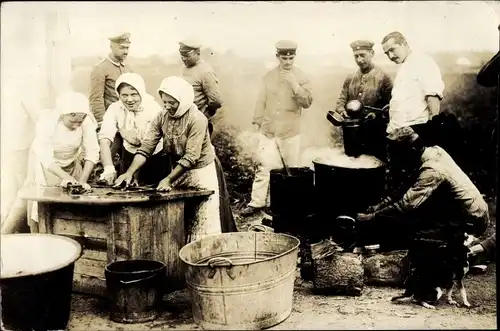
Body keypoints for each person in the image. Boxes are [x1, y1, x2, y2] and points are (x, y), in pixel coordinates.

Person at [114, 76, 221, 243]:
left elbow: (191, 157)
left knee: (203, 222)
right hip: (178, 171)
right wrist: (129, 173)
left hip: (200, 173)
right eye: (165, 102)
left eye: (172, 103)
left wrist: (168, 179)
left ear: (183, 100)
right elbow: (146, 147)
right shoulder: (162, 117)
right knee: (180, 219)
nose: (167, 106)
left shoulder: (197, 119)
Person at [356, 127, 489, 251]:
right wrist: (381, 204)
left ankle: (466, 240)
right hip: (464, 211)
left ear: (412, 150)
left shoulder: (432, 170)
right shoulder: (434, 151)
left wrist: (372, 217)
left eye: (398, 154)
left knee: (410, 236)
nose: (395, 159)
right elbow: (408, 184)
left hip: (471, 220)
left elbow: (406, 205)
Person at [1, 92, 100, 234]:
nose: (77, 124)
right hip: (44, 162)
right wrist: (65, 176)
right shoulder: (48, 122)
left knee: (73, 197)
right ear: (64, 114)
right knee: (31, 198)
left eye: (80, 121)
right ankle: (5, 235)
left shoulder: (86, 121)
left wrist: (82, 180)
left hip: (70, 161)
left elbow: (92, 151)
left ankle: (67, 235)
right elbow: (44, 156)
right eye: (73, 121)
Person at [241, 40, 313, 216]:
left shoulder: (302, 77)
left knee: (290, 169)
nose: (287, 61)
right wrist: (256, 124)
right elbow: (261, 101)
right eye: (284, 58)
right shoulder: (268, 77)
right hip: (269, 129)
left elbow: (307, 102)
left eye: (291, 58)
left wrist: (294, 84)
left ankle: (284, 205)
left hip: (291, 131)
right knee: (264, 166)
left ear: (294, 57)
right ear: (277, 57)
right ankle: (257, 203)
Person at [178, 40, 237, 232]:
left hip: (199, 124)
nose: (184, 58)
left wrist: (203, 115)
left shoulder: (205, 71)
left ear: (197, 52)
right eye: (182, 55)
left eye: (187, 55)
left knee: (204, 164)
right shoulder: (185, 69)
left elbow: (216, 100)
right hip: (185, 124)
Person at [98, 73, 166, 186]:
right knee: (124, 190)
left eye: (134, 94)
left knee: (152, 193)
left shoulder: (153, 109)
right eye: (124, 95)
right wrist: (109, 167)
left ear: (141, 93)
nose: (129, 100)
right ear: (118, 94)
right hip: (129, 154)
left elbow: (147, 146)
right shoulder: (115, 108)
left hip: (154, 157)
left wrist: (133, 173)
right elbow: (104, 139)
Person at [335, 39, 393, 158]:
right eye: (356, 56)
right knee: (352, 164)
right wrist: (341, 110)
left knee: (373, 165)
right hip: (352, 133)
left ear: (372, 53)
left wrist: (375, 114)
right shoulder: (350, 78)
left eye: (363, 55)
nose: (359, 60)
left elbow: (391, 105)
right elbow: (341, 100)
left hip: (375, 134)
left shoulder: (384, 78)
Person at [89, 32, 133, 172]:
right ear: (112, 46)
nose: (125, 51)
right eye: (121, 48)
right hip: (110, 124)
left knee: (126, 160)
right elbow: (96, 99)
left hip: (127, 122)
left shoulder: (127, 69)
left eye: (127, 48)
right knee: (106, 161)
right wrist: (103, 125)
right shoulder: (100, 69)